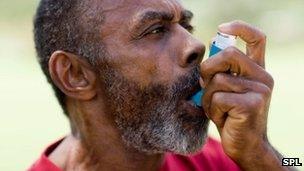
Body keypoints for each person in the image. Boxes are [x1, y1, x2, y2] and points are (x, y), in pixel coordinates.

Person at [29, 0, 294, 170]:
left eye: (186, 25)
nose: (196, 45)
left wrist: (260, 151)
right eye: (154, 30)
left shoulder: (216, 155)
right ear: (74, 74)